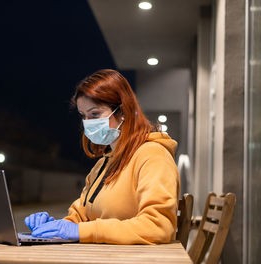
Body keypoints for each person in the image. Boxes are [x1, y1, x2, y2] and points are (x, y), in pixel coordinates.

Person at [24, 69, 180, 244]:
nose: (88, 122)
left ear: (123, 111)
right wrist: (53, 226)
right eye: (84, 116)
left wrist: (83, 231)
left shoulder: (152, 156)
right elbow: (81, 218)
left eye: (95, 114)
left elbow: (158, 226)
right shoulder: (102, 165)